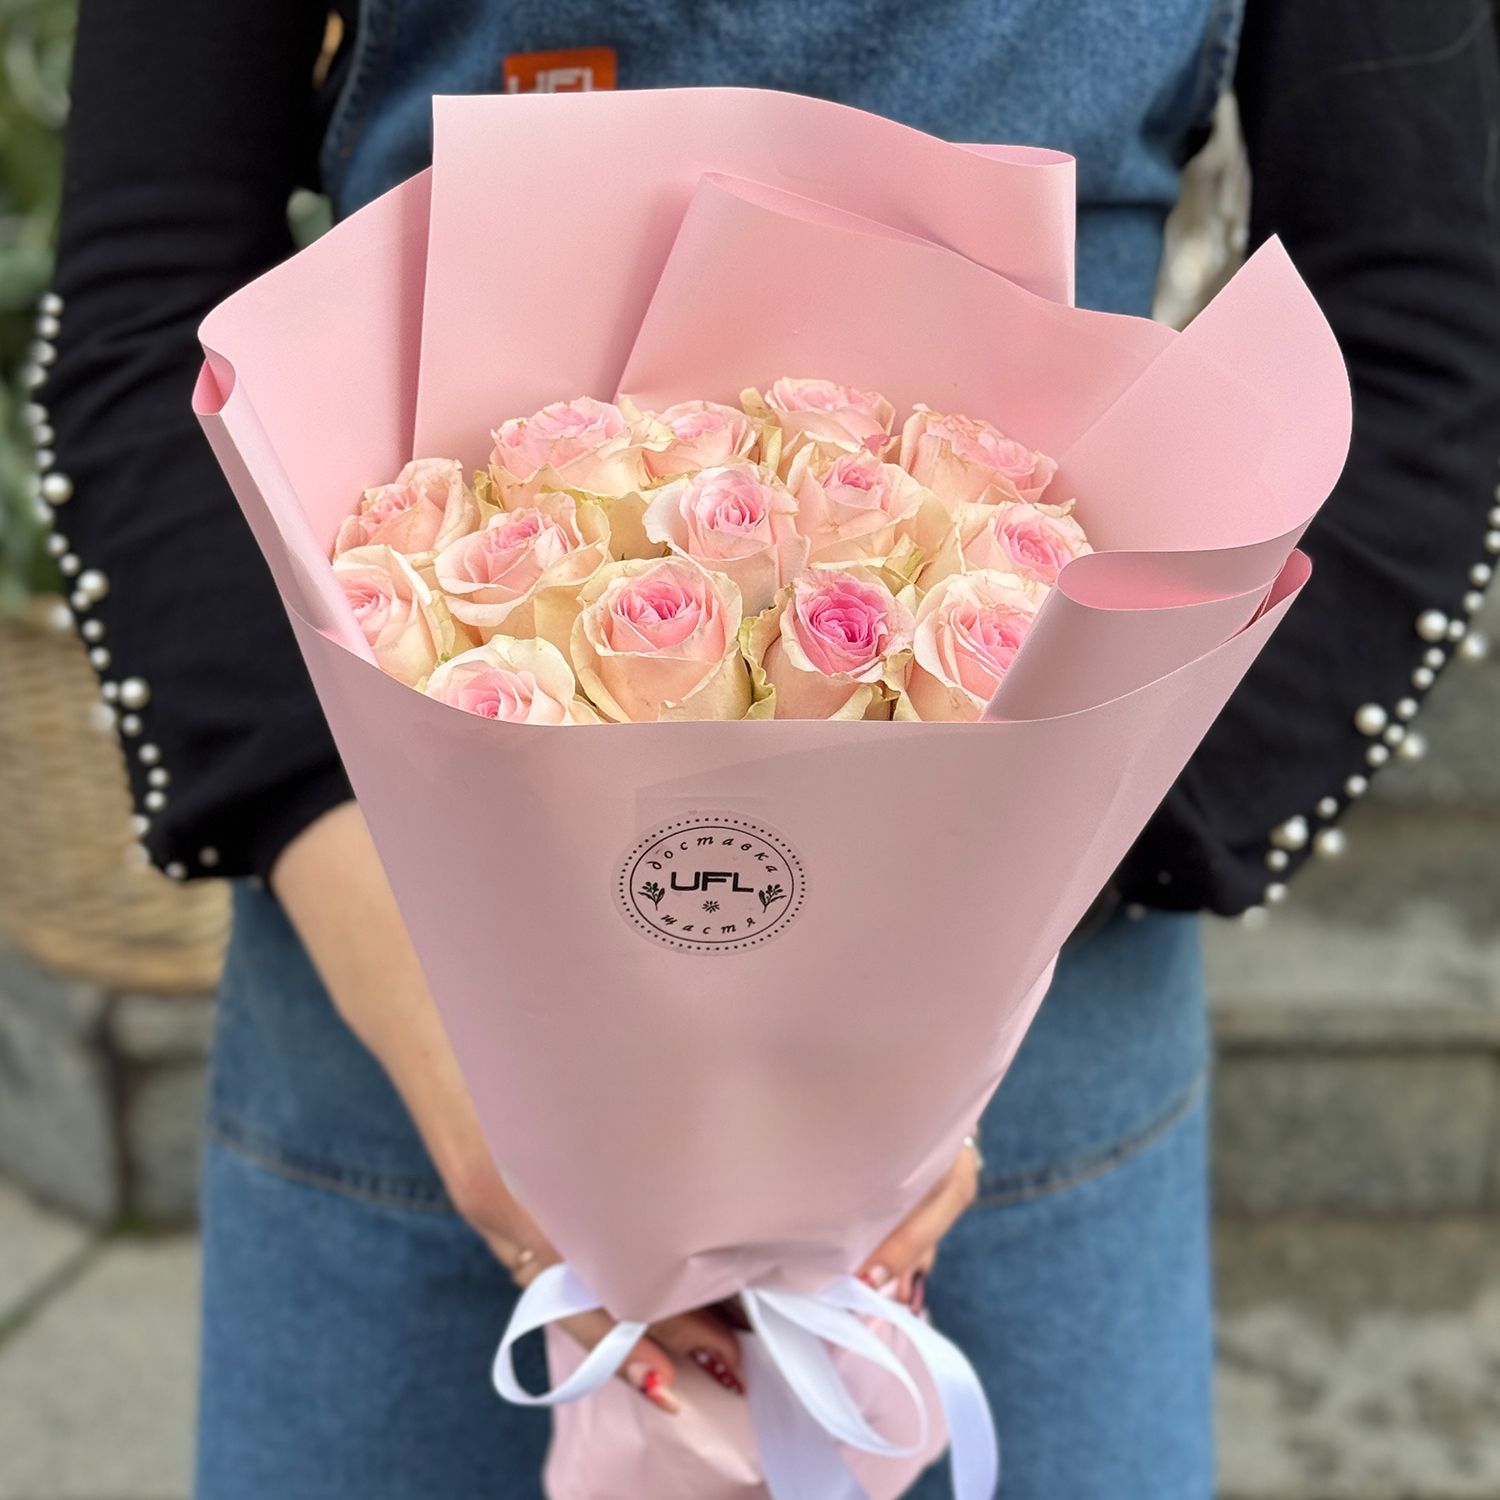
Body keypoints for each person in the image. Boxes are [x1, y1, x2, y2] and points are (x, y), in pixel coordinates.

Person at [31, 1, 1500, 1495]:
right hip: (403, 1032)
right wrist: (437, 1016)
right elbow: (150, 303)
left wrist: (1021, 886)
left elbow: (1418, 332)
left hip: (1025, 1078)